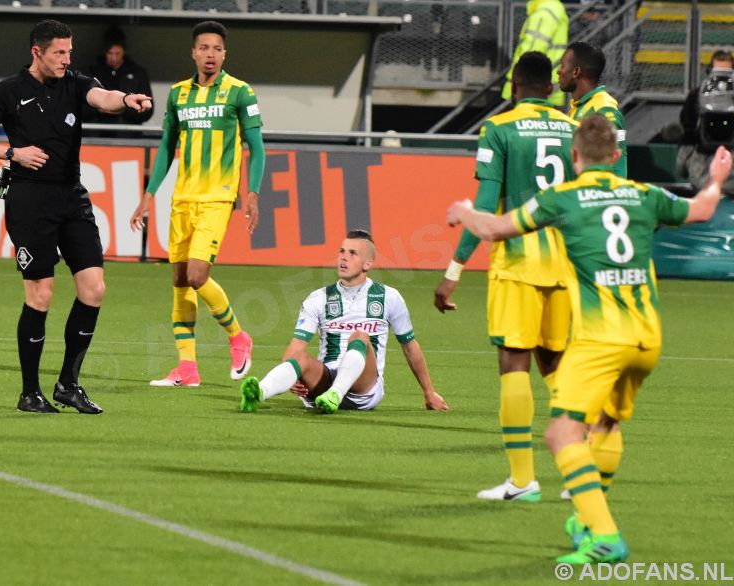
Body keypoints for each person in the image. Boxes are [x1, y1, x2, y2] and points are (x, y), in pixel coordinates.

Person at [447, 114, 732, 564]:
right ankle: (585, 517)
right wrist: (716, 178)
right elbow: (702, 210)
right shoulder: (643, 194)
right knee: (606, 425)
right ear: (617, 156)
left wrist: (463, 211)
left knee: (562, 432)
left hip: (602, 338)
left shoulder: (563, 198)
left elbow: (494, 229)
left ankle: (604, 534)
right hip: (648, 338)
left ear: (574, 157)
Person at [0, 20, 152, 414]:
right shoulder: (8, 91)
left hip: (72, 197)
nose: (67, 60)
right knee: (41, 294)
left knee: (94, 288)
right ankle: (29, 392)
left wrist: (128, 98)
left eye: (69, 52)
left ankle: (68, 384)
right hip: (29, 201)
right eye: (59, 53)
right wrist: (12, 153)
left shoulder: (74, 81)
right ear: (37, 52)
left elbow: (103, 97)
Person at [435, 52, 578, 502]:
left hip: (518, 263)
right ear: (551, 88)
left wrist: (453, 270)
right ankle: (581, 475)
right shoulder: (574, 129)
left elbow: (485, 199)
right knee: (556, 367)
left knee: (514, 365)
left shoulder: (498, 128)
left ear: (514, 86)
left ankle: (522, 481)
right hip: (568, 264)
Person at [130, 21, 264, 387]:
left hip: (217, 198)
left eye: (216, 49)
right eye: (203, 48)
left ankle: (238, 336)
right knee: (178, 281)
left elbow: (257, 146)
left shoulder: (239, 92)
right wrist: (148, 195)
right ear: (193, 52)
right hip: (182, 200)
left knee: (196, 275)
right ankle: (186, 369)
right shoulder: (177, 94)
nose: (210, 54)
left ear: (224, 54)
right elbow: (165, 150)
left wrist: (252, 193)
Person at [240, 230, 449, 414]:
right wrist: (294, 377)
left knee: (360, 336)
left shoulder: (389, 297)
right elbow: (296, 347)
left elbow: (410, 347)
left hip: (364, 390)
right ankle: (259, 391)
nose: (344, 258)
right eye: (342, 251)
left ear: (368, 264)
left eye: (352, 253)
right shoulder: (318, 298)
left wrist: (428, 392)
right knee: (300, 358)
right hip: (325, 380)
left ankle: (335, 395)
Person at [558, 41, 628, 178]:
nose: (558, 71)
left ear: (576, 72)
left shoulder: (604, 110)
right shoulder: (579, 106)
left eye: (562, 65)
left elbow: (616, 167)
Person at [501, 0, 568, 107]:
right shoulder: (553, 8)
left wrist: (516, 83)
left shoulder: (545, 11)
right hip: (544, 87)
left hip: (530, 89)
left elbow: (531, 53)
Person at [83, 26, 154, 126]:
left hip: (127, 133)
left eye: (117, 53)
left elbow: (147, 111)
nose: (114, 58)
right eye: (110, 53)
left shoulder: (137, 73)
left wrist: (122, 107)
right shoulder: (92, 72)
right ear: (104, 52)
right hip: (96, 130)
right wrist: (98, 109)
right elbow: (80, 105)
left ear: (124, 51)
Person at [679, 49, 733, 143]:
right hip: (703, 145)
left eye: (726, 73)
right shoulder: (696, 94)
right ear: (710, 71)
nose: (721, 80)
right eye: (717, 73)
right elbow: (687, 123)